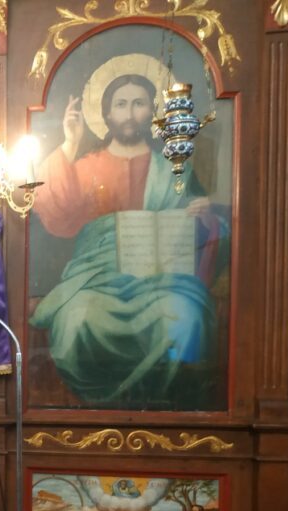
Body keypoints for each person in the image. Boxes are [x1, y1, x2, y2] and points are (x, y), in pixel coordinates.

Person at [30, 71, 229, 407]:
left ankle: (169, 408)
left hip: (162, 278)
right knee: (75, 321)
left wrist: (203, 213)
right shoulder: (86, 166)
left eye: (139, 103)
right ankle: (93, 407)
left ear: (151, 111)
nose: (129, 113)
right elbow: (55, 214)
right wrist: (70, 144)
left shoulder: (174, 170)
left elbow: (209, 224)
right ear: (106, 113)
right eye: (121, 104)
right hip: (95, 278)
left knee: (187, 317)